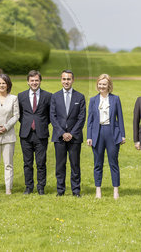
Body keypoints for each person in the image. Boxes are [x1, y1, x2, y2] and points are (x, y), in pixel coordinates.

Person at [86, 74, 126, 199]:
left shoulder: (115, 99)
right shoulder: (93, 100)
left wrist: (122, 135)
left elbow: (120, 118)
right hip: (97, 133)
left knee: (113, 162)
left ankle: (116, 190)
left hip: (112, 133)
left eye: (104, 84)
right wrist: (89, 136)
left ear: (109, 85)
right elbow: (90, 121)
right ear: (97, 85)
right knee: (98, 163)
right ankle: (98, 190)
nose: (102, 86)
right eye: (100, 84)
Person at [50, 69, 86, 197]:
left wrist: (71, 133)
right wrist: (62, 133)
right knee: (60, 165)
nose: (66, 81)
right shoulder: (54, 97)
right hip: (59, 137)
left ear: (73, 80)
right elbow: (52, 117)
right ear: (61, 80)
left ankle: (76, 191)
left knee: (75, 165)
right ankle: (60, 190)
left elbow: (81, 118)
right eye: (64, 79)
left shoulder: (80, 97)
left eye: (68, 79)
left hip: (74, 137)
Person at [17, 70, 52, 195]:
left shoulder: (48, 96)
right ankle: (29, 186)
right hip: (26, 133)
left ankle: (41, 187)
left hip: (41, 133)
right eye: (32, 80)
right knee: (27, 163)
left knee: (41, 162)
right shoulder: (21, 96)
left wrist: (39, 123)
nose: (34, 83)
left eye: (37, 80)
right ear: (28, 82)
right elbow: (20, 115)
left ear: (40, 81)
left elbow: (50, 115)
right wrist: (28, 123)